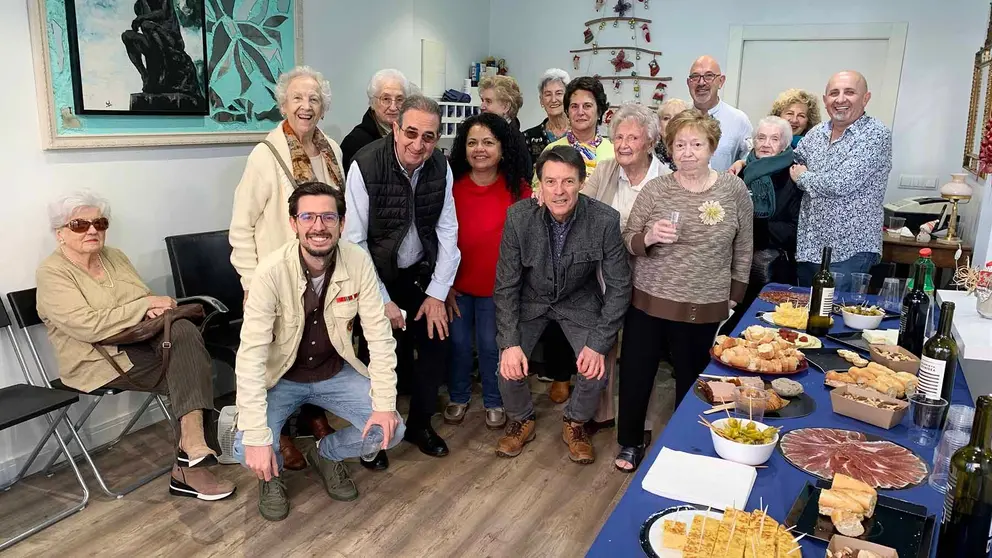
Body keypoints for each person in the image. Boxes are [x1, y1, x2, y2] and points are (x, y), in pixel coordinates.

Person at [36, 192, 235, 501]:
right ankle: (189, 464)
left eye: (99, 223)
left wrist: (148, 307)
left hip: (138, 342)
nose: (92, 230)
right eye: (79, 224)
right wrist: (143, 305)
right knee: (189, 365)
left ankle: (192, 449)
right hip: (96, 359)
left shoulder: (114, 256)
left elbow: (141, 300)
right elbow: (87, 325)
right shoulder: (52, 273)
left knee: (182, 331)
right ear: (59, 233)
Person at [233, 182, 404, 521]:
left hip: (334, 372)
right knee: (244, 446)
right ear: (294, 223)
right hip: (281, 378)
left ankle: (327, 453)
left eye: (328, 216)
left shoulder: (358, 262)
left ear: (342, 223)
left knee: (392, 429)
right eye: (308, 216)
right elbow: (250, 357)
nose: (318, 226)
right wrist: (256, 437)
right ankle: (272, 474)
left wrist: (384, 406)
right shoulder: (269, 272)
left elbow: (380, 339)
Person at [615, 110, 753, 472]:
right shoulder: (657, 189)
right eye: (680, 145)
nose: (687, 152)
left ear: (712, 147)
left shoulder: (733, 190)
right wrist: (649, 237)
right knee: (636, 374)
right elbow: (627, 238)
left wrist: (735, 295)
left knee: (694, 380)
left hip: (705, 304)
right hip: (649, 300)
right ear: (669, 148)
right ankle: (630, 441)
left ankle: (686, 444)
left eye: (696, 144)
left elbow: (744, 248)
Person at [229, 65, 343, 472]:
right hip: (276, 277)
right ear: (284, 104)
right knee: (277, 357)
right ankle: (277, 434)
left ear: (323, 106)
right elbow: (241, 227)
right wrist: (250, 280)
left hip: (323, 272)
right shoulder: (266, 154)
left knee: (317, 348)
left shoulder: (332, 150)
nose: (305, 106)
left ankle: (314, 416)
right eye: (297, 98)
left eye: (313, 99)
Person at [493, 146, 631, 464]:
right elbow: (506, 286)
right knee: (507, 361)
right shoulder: (518, 218)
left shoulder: (605, 220)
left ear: (582, 182)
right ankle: (522, 419)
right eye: (551, 182)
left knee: (595, 367)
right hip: (532, 298)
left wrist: (597, 344)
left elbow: (620, 287)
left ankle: (575, 422)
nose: (559, 191)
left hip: (578, 299)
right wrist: (510, 343)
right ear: (539, 184)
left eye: (568, 182)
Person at [344, 95, 460, 458]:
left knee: (435, 340)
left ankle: (420, 425)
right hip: (375, 276)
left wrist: (438, 294)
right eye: (410, 133)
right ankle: (376, 434)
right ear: (395, 127)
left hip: (420, 274)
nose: (418, 144)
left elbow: (448, 231)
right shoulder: (365, 164)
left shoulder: (440, 166)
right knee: (379, 354)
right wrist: (382, 300)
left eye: (428, 137)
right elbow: (354, 241)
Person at [579, 102, 668, 434]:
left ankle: (639, 420)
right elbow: (581, 208)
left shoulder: (666, 179)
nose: (624, 144)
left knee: (640, 353)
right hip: (604, 274)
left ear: (649, 142)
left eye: (633, 137)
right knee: (601, 343)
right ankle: (600, 413)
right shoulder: (604, 171)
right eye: (618, 136)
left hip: (650, 275)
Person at [442, 113, 533, 430]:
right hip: (458, 288)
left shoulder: (518, 190)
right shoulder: (451, 187)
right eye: (472, 143)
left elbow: (528, 242)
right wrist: (445, 285)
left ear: (503, 148)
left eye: (488, 142)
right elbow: (441, 238)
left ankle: (495, 400)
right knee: (458, 345)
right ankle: (459, 395)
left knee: (492, 346)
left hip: (500, 291)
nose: (479, 149)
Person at [793, 71, 892, 291]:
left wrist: (803, 177)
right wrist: (744, 162)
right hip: (810, 245)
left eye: (849, 92)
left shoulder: (875, 135)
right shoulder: (815, 133)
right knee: (804, 316)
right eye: (834, 93)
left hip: (850, 250)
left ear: (865, 98)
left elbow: (841, 184)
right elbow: (791, 159)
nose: (840, 99)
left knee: (836, 317)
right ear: (825, 99)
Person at [721, 116, 803, 336]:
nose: (766, 144)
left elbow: (795, 230)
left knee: (763, 333)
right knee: (728, 333)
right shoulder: (738, 172)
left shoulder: (794, 177)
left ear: (785, 145)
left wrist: (753, 228)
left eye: (774, 139)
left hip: (772, 270)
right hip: (734, 266)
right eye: (761, 137)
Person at [686, 56, 751, 172]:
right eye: (695, 77)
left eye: (709, 76)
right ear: (688, 83)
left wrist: (742, 162)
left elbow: (751, 156)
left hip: (723, 188)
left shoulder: (738, 120)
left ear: (721, 81)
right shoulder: (678, 119)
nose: (701, 82)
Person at [341, 69, 413, 171]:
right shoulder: (355, 142)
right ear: (372, 102)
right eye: (386, 99)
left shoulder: (412, 137)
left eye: (399, 99)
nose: (393, 107)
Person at [542, 76, 615, 178]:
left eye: (587, 106)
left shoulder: (614, 152)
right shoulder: (552, 151)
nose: (580, 112)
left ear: (599, 111)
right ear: (567, 111)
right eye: (574, 106)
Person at [479, 75, 532, 172]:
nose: (482, 106)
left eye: (488, 101)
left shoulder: (516, 143)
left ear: (506, 107)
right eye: (482, 100)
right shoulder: (480, 134)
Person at [523, 68, 571, 167]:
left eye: (559, 93)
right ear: (541, 100)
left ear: (568, 98)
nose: (553, 99)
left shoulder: (579, 134)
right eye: (548, 94)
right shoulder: (528, 137)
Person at [655, 98, 690, 171]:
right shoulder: (649, 155)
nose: (672, 122)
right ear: (659, 125)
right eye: (666, 118)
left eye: (678, 118)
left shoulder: (697, 152)